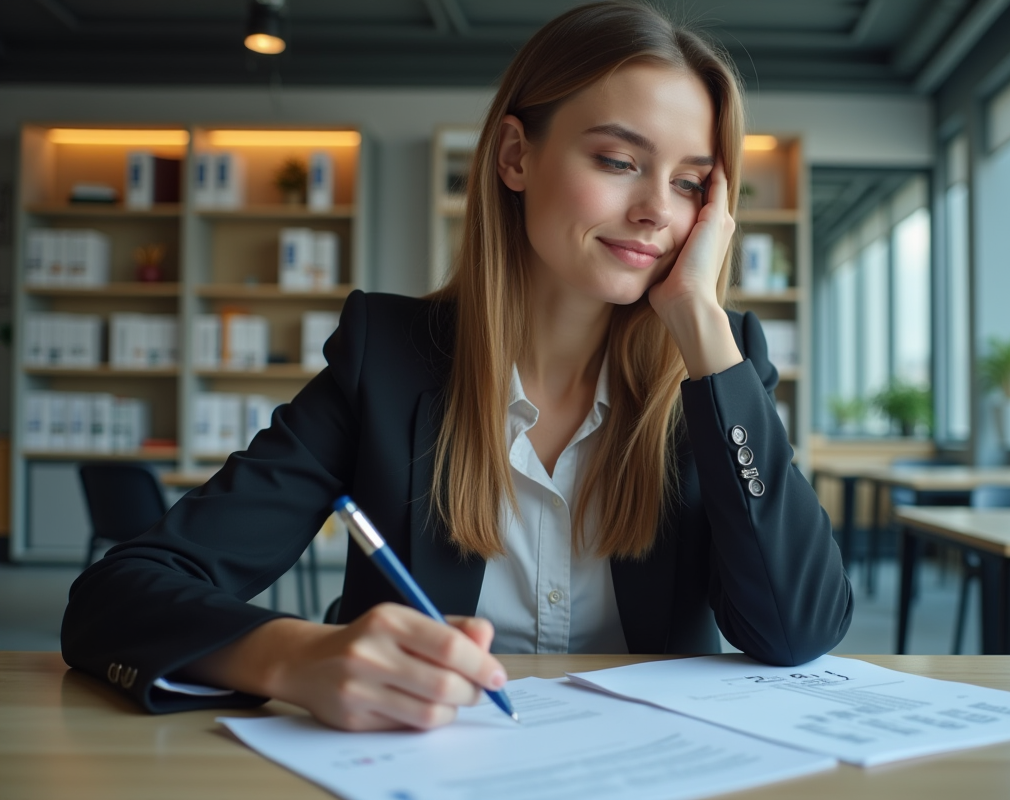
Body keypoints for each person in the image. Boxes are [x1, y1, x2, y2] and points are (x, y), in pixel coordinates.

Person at [61, 0, 852, 733]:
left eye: (689, 184)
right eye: (618, 161)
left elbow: (797, 630)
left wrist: (700, 324)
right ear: (515, 156)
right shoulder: (387, 360)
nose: (657, 210)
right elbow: (117, 595)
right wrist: (294, 657)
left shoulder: (718, 368)